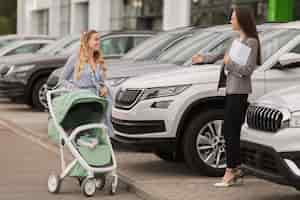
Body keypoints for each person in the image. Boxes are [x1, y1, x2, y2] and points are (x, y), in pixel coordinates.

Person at [192, 6, 261, 187]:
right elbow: (221, 56)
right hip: (231, 89)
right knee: (230, 131)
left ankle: (230, 171)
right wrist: (204, 58)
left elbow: (247, 70)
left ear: (242, 20)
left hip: (239, 91)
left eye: (233, 17)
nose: (230, 20)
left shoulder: (251, 42)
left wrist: (230, 64)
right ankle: (235, 169)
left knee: (231, 132)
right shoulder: (237, 39)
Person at [60, 30, 114, 144]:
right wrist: (76, 90)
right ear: (87, 41)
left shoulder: (97, 59)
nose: (98, 42)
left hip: (97, 98)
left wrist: (103, 86)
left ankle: (94, 142)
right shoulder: (75, 58)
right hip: (83, 98)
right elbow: (62, 80)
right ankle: (80, 137)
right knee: (86, 124)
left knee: (98, 126)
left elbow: (100, 80)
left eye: (99, 40)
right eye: (95, 39)